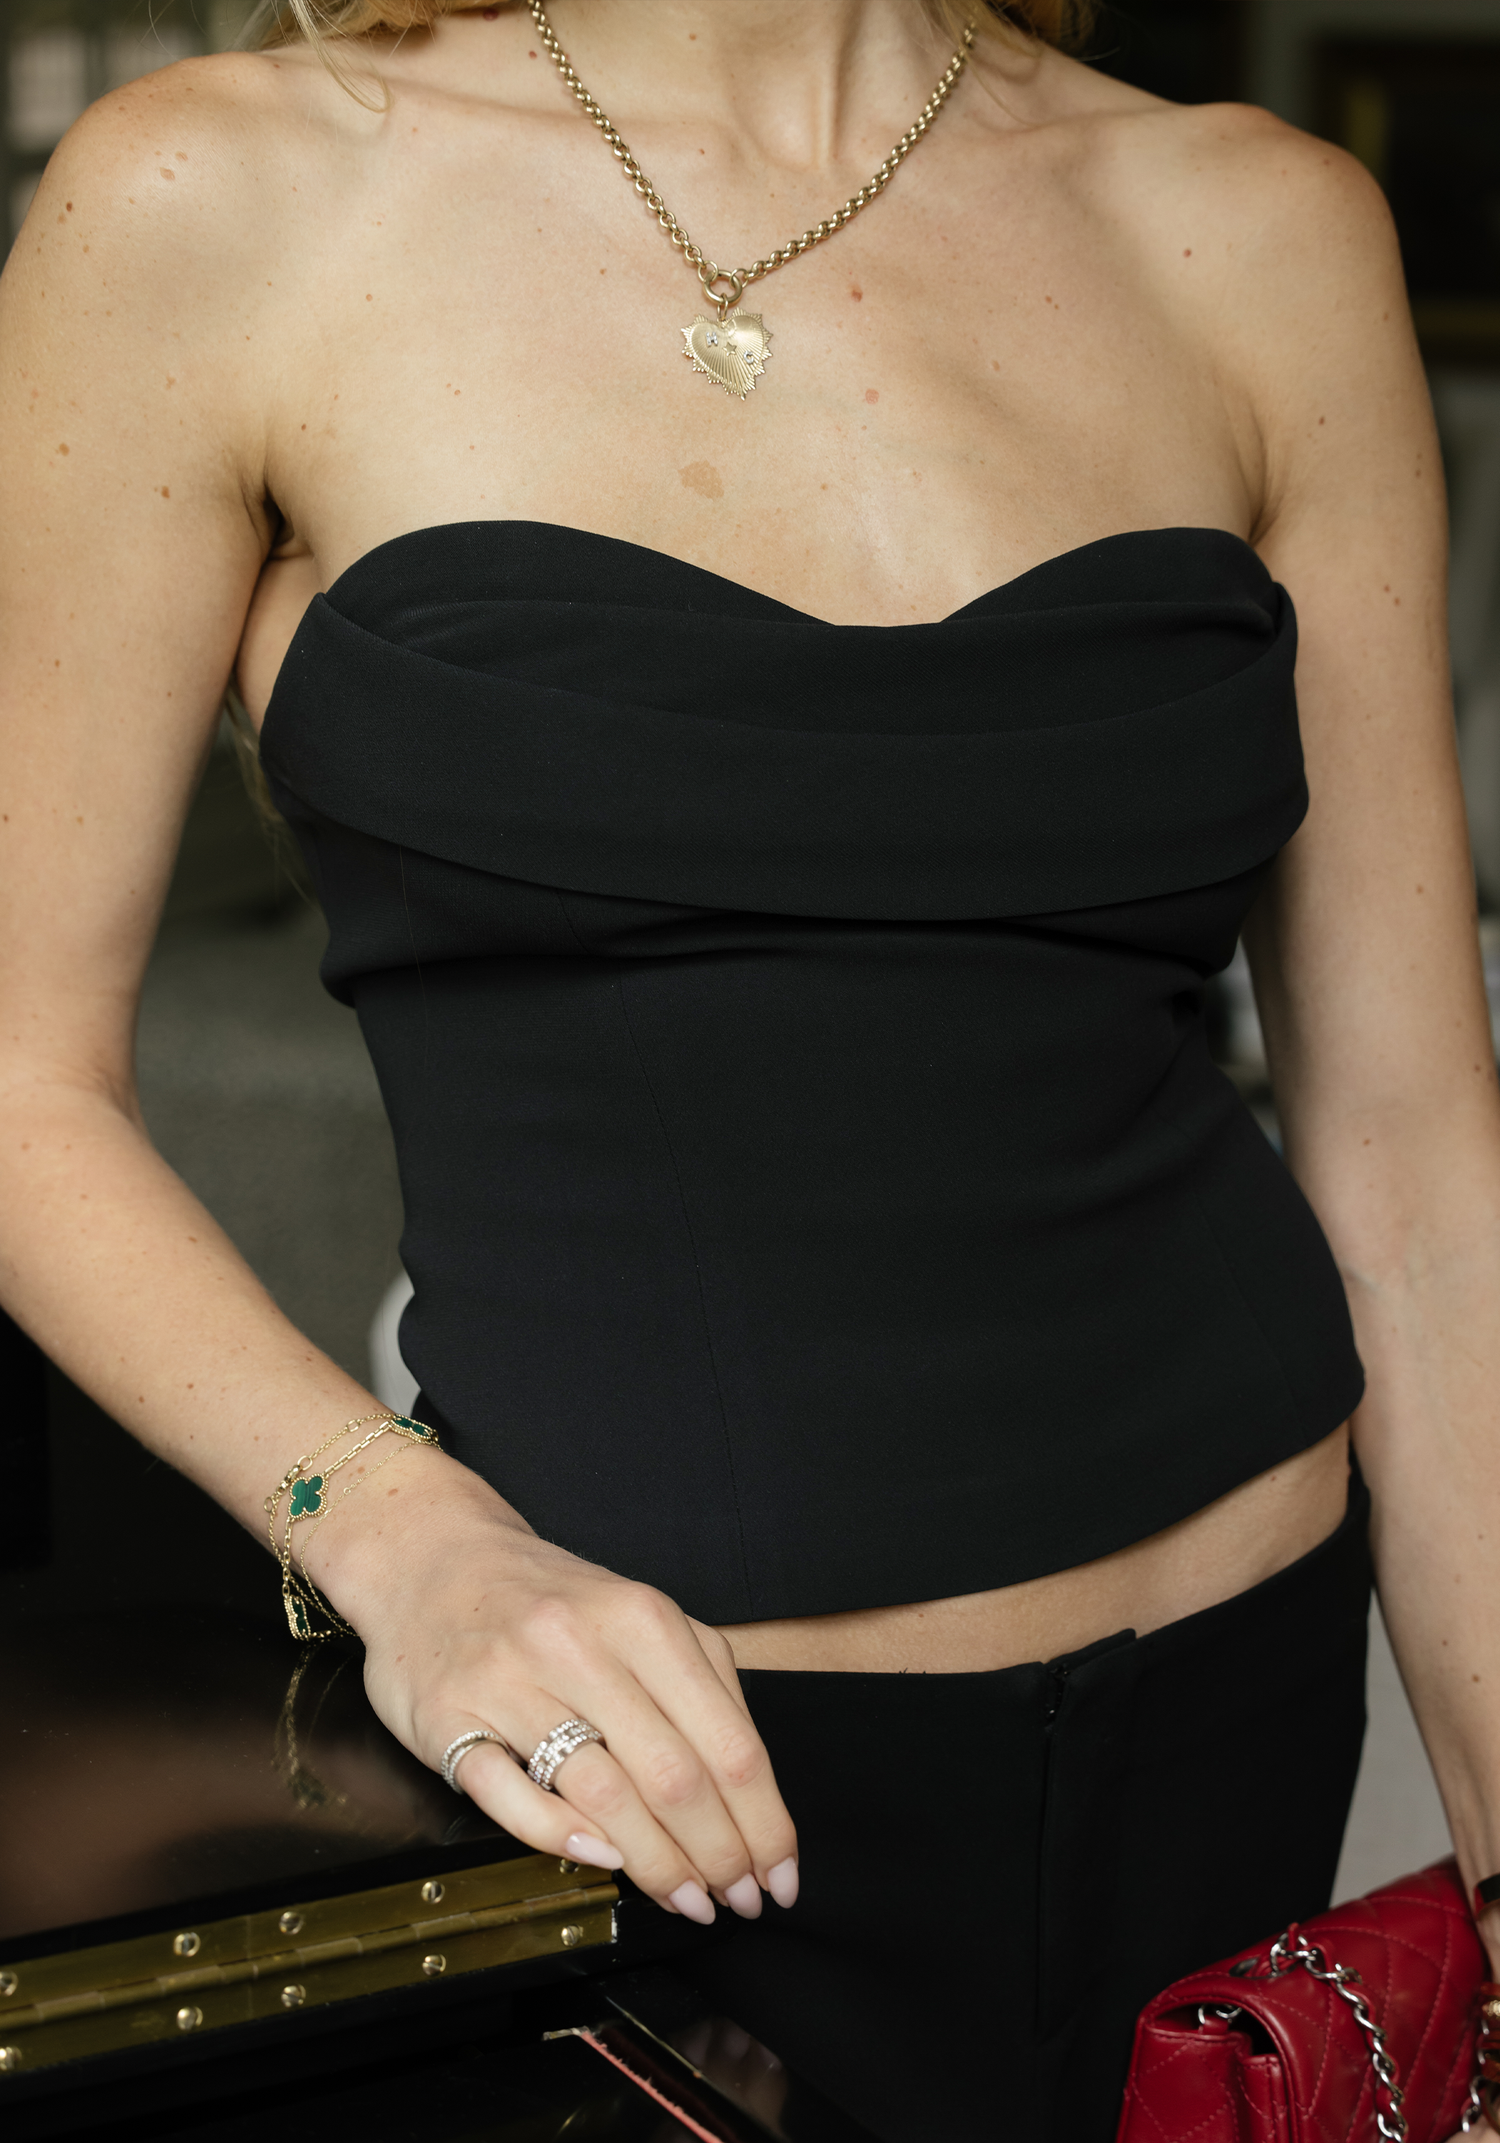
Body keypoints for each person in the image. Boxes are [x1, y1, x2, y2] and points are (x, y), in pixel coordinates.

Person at [0, 0, 1493, 2133]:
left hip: (1241, 1720)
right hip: (641, 1773)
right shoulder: (217, 198)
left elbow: (1414, 1159)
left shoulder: (1257, 225)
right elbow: (19, 1079)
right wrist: (406, 1542)